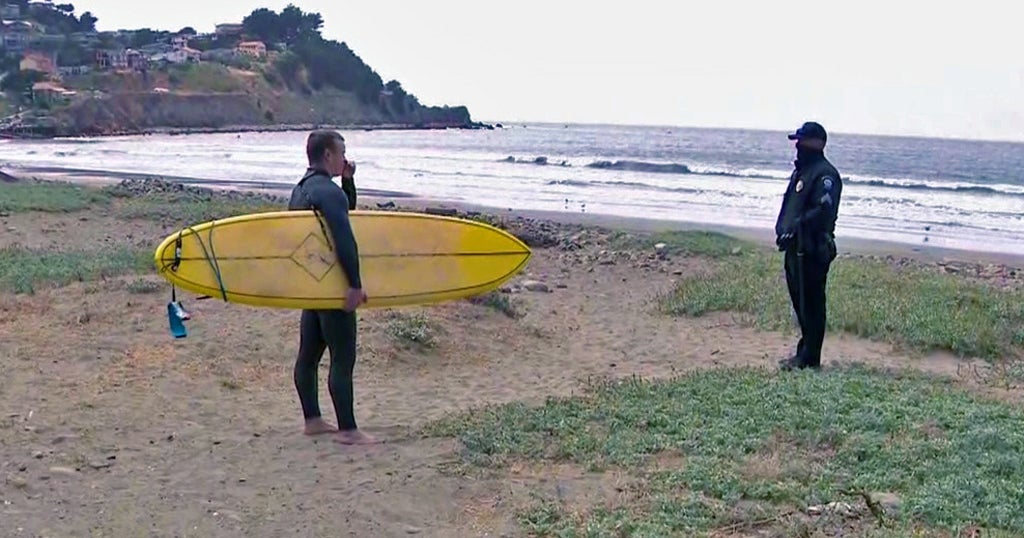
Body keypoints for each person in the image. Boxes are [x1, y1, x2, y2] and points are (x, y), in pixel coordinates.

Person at [287, 129, 376, 445]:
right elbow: (343, 238)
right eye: (341, 152)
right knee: (343, 357)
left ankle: (312, 421)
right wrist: (354, 285)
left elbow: (341, 213)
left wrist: (348, 181)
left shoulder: (301, 190)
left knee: (308, 357)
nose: (344, 158)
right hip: (335, 286)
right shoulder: (328, 193)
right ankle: (349, 431)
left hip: (313, 286)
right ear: (328, 155)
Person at [774, 121, 843, 371]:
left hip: (813, 248)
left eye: (800, 142)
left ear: (813, 144)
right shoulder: (802, 172)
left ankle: (810, 358)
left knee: (812, 303)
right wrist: (783, 230)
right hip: (795, 247)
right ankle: (803, 351)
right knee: (800, 302)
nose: (796, 147)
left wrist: (798, 228)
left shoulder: (825, 174)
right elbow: (791, 206)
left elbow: (823, 210)